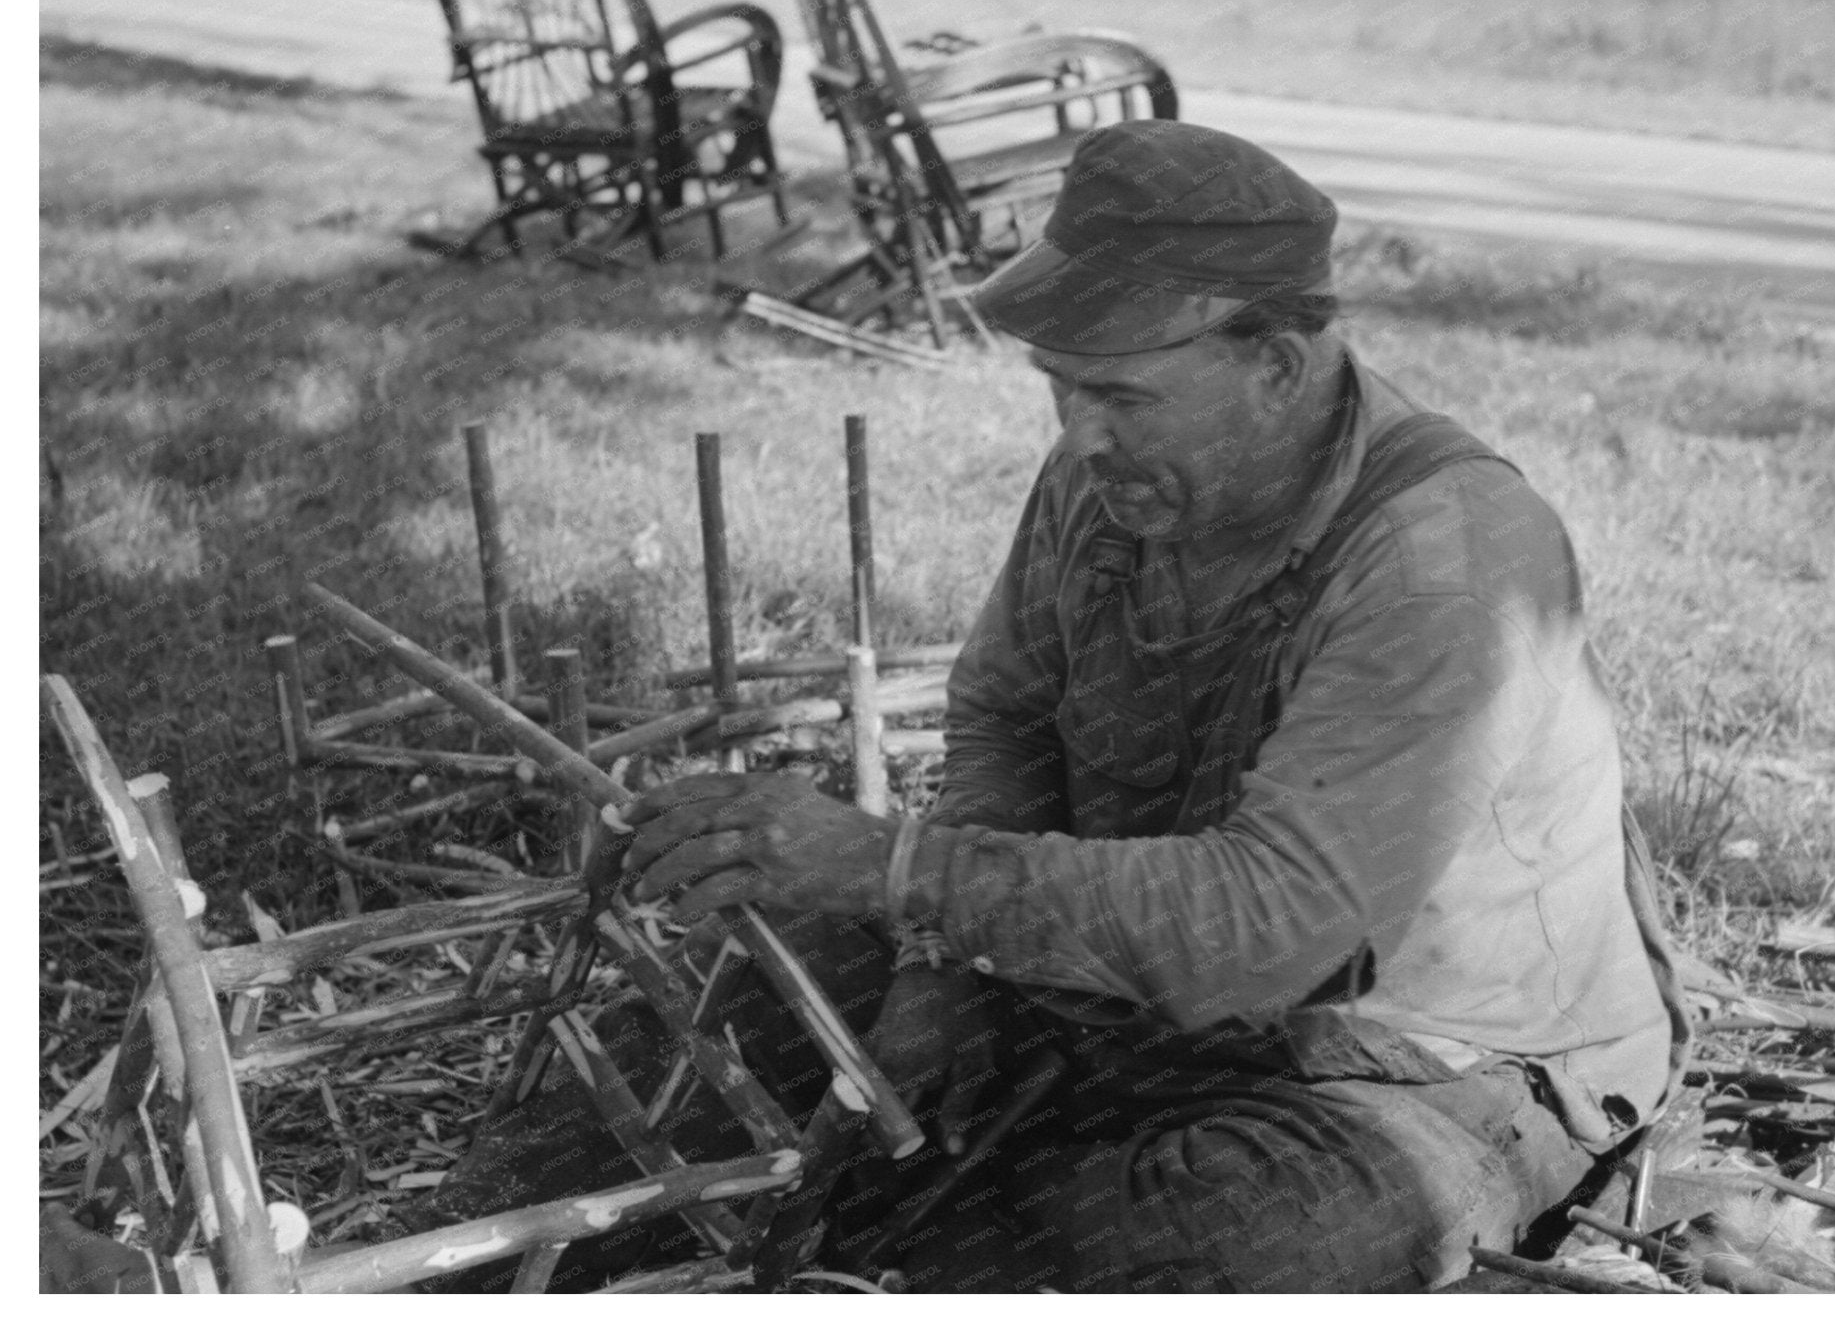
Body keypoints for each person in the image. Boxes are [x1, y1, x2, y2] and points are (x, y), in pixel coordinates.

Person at [415, 119, 1689, 1293]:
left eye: (1117, 394)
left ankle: (900, 1237)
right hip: (1126, 986)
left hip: (1417, 1063)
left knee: (1219, 1240)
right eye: (1058, 387)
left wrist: (896, 868)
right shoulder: (1122, 474)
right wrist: (941, 968)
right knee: (748, 1002)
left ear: (1279, 365)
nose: (1075, 436)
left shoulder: (1448, 563)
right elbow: (1008, 717)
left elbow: (1269, 933)